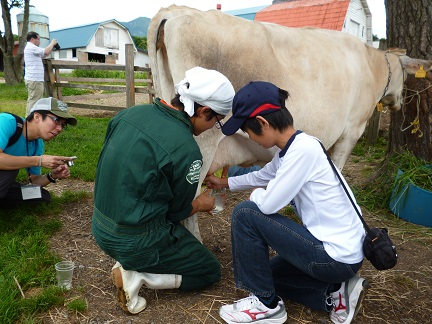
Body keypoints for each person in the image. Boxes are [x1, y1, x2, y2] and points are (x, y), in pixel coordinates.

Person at [205, 81, 368, 324]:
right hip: (341, 255)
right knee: (264, 274)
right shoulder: (297, 146)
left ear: (263, 123)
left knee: (245, 213)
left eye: (247, 130)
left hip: (334, 257)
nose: (248, 137)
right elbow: (263, 175)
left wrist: (256, 195)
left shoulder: (302, 153)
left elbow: (268, 205)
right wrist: (225, 183)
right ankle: (334, 293)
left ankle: (266, 305)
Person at [91, 66, 235, 315]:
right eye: (216, 121)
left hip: (100, 226)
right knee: (208, 269)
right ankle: (139, 277)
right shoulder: (187, 150)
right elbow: (176, 212)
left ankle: (132, 262)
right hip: (133, 240)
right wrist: (201, 204)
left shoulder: (127, 115)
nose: (213, 126)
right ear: (204, 111)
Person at [0, 97, 77, 207]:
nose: (60, 128)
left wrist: (53, 175)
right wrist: (38, 160)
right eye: (57, 121)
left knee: (40, 195)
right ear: (37, 117)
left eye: (63, 125)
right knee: (10, 172)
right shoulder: (7, 122)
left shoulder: (37, 144)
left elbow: (34, 181)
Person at [24, 31, 59, 116]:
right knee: (34, 101)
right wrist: (52, 43)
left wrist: (52, 47)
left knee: (33, 100)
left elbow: (44, 54)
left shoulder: (32, 49)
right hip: (35, 79)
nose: (39, 41)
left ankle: (31, 120)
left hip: (34, 79)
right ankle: (29, 121)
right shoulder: (31, 47)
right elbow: (46, 52)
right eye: (38, 39)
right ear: (32, 39)